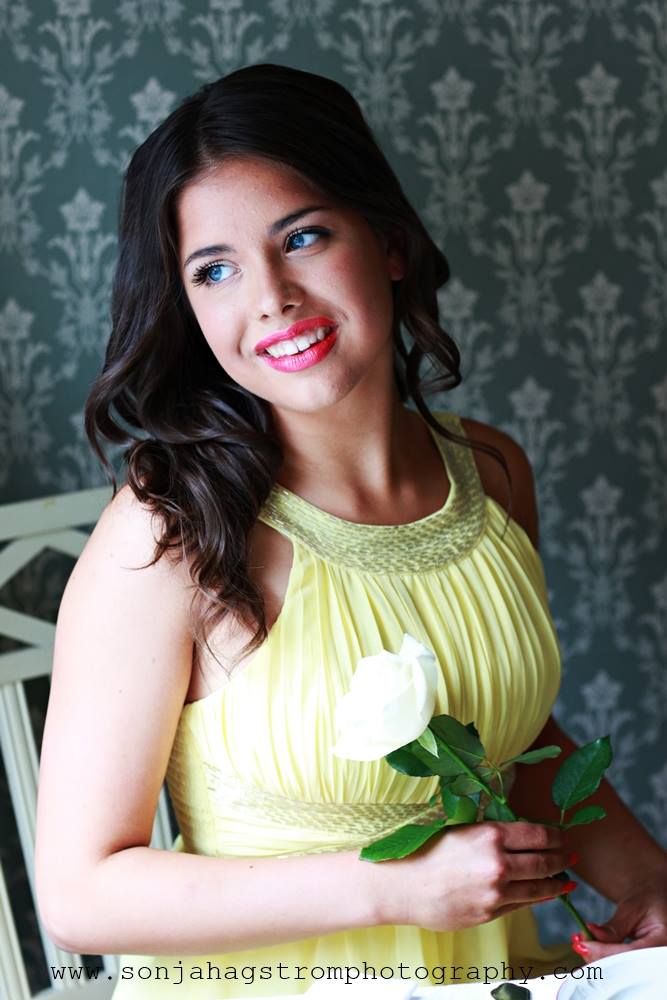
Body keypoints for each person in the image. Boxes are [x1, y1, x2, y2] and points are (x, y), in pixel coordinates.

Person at [34, 63, 667, 997]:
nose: (271, 297)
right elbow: (81, 895)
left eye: (303, 237)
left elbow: (505, 734)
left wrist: (648, 882)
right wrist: (393, 887)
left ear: (389, 243)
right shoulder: (169, 531)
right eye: (215, 270)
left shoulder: (491, 473)